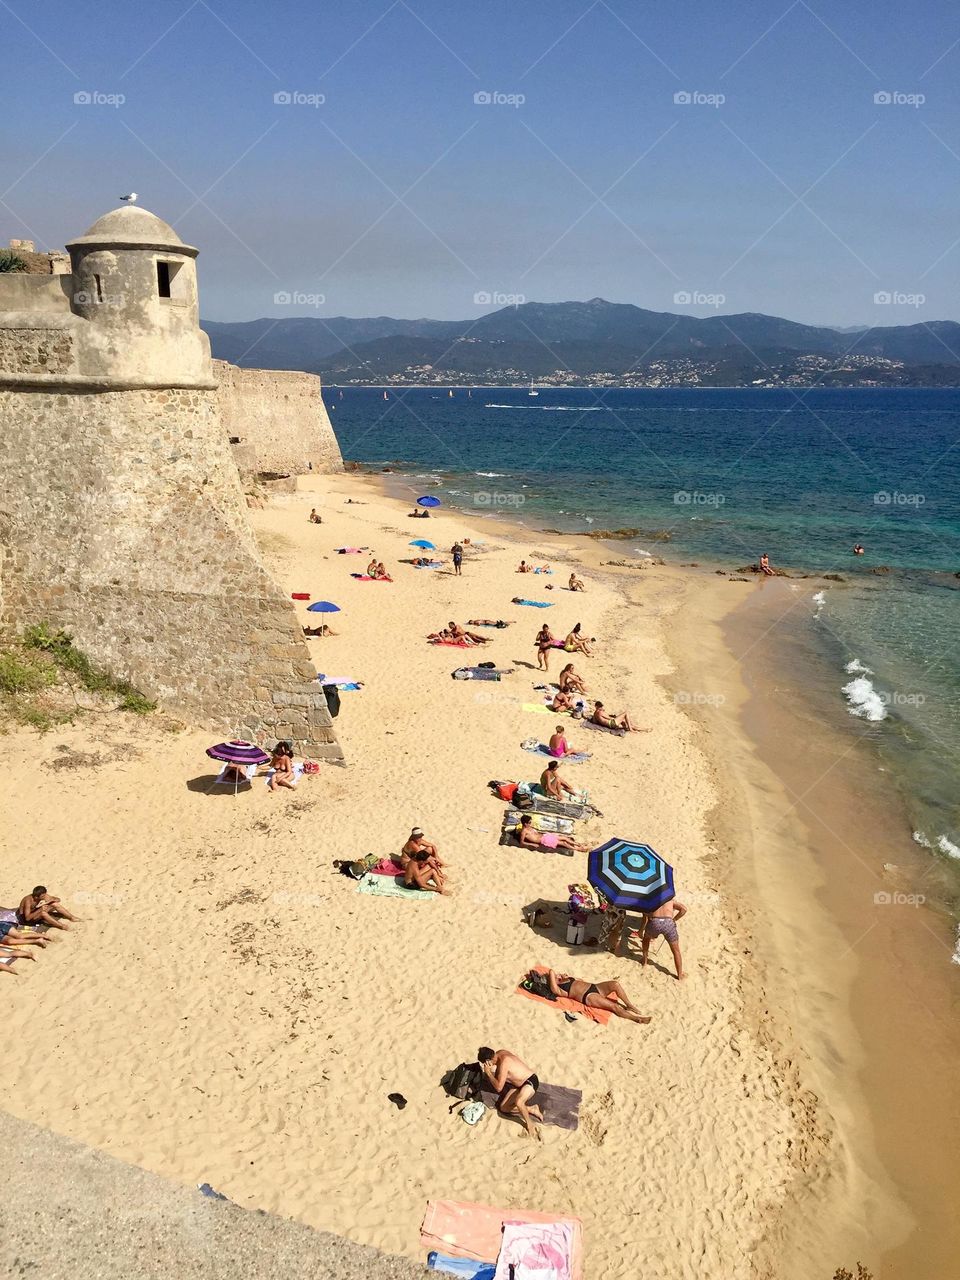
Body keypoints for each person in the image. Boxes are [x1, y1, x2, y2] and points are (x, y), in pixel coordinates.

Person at [477, 1046, 544, 1139]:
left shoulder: (504, 1063)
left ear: (488, 1061)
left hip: (530, 1081)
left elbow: (499, 1088)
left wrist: (488, 1073)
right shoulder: (500, 1053)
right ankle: (531, 1109)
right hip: (518, 1085)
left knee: (519, 1102)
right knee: (503, 1108)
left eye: (484, 1063)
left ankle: (530, 1124)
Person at [544, 969, 651, 1023]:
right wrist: (553, 976)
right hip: (588, 996)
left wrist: (565, 977)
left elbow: (580, 980)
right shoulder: (559, 990)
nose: (558, 975)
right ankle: (637, 1019)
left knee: (615, 984)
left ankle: (629, 1005)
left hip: (595, 987)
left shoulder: (566, 979)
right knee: (614, 1006)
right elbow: (551, 972)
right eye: (556, 977)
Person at [641, 896, 687, 979]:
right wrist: (675, 919)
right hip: (668, 923)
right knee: (676, 950)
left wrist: (650, 915)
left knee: (646, 939)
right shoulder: (670, 900)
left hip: (655, 922)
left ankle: (644, 961)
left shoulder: (653, 899)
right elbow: (683, 909)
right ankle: (679, 975)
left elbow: (645, 912)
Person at [400, 828, 448, 893]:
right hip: (412, 884)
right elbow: (421, 884)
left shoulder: (416, 859)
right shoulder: (414, 866)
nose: (420, 838)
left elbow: (430, 849)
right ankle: (440, 889)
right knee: (431, 871)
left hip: (413, 878)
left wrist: (436, 859)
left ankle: (440, 887)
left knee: (432, 870)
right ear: (421, 861)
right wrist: (434, 889)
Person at [516, 814, 586, 853]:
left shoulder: (529, 827)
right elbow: (522, 842)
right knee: (563, 843)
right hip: (544, 840)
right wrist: (532, 844)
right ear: (525, 824)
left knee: (564, 837)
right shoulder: (524, 832)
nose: (531, 823)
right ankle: (578, 849)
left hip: (545, 836)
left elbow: (537, 832)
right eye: (529, 822)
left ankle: (578, 844)